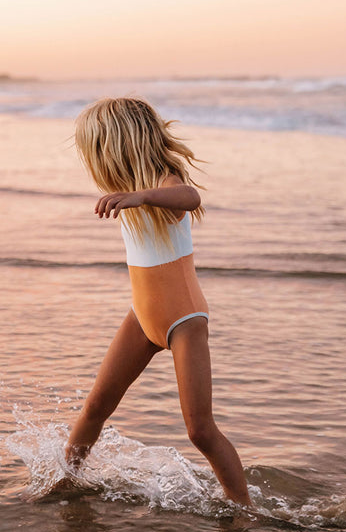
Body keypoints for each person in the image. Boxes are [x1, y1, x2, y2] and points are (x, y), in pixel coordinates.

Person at [65, 97, 251, 507]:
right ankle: (65, 481)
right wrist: (133, 195)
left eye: (96, 148)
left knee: (200, 430)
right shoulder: (130, 191)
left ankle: (244, 510)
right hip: (142, 317)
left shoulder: (164, 184)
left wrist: (142, 197)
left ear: (118, 144)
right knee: (95, 406)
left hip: (183, 320)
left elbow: (190, 198)